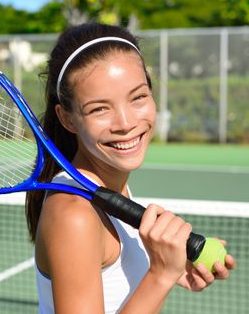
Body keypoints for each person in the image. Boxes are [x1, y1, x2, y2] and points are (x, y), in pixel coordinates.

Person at [25, 22, 236, 314]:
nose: (125, 123)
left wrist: (169, 268)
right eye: (99, 108)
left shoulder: (109, 186)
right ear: (68, 118)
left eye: (138, 97)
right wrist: (159, 275)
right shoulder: (74, 214)